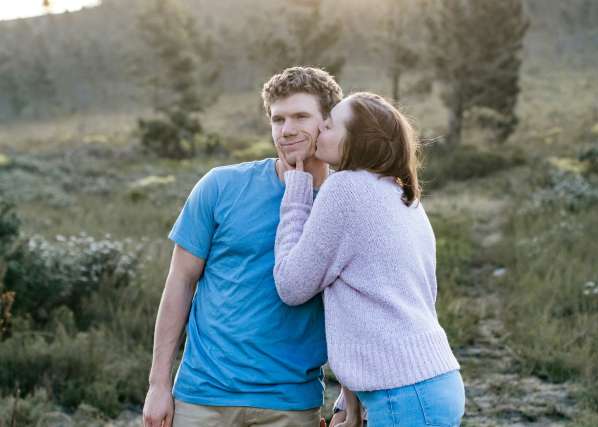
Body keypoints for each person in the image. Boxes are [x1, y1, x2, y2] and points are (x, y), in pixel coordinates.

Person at [142, 66, 344, 427]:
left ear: (327, 123)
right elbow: (180, 282)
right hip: (202, 397)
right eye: (278, 119)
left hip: (290, 403)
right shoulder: (220, 186)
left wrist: (349, 396)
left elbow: (361, 302)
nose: (287, 130)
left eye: (301, 116)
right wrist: (158, 384)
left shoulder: (344, 203)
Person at [273, 92, 466, 426]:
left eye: (330, 126)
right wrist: (347, 403)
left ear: (356, 141)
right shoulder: (400, 194)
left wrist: (297, 197)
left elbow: (291, 285)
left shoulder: (345, 188)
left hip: (403, 393)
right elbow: (369, 313)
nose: (320, 132)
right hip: (431, 381)